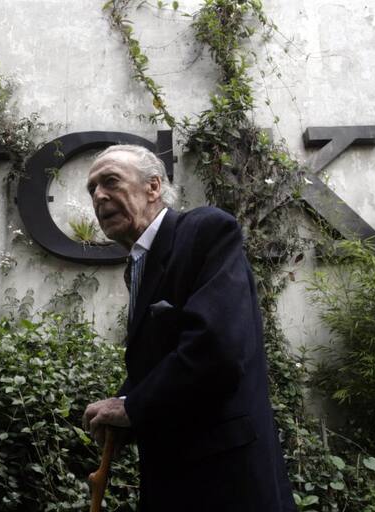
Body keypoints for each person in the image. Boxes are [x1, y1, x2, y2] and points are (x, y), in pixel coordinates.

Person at [81, 145, 296, 511]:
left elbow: (216, 348)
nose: (99, 196)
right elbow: (163, 359)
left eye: (111, 181)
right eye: (92, 189)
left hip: (225, 485)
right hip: (176, 481)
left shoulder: (205, 230)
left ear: (153, 187)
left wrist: (134, 407)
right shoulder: (139, 265)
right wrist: (122, 406)